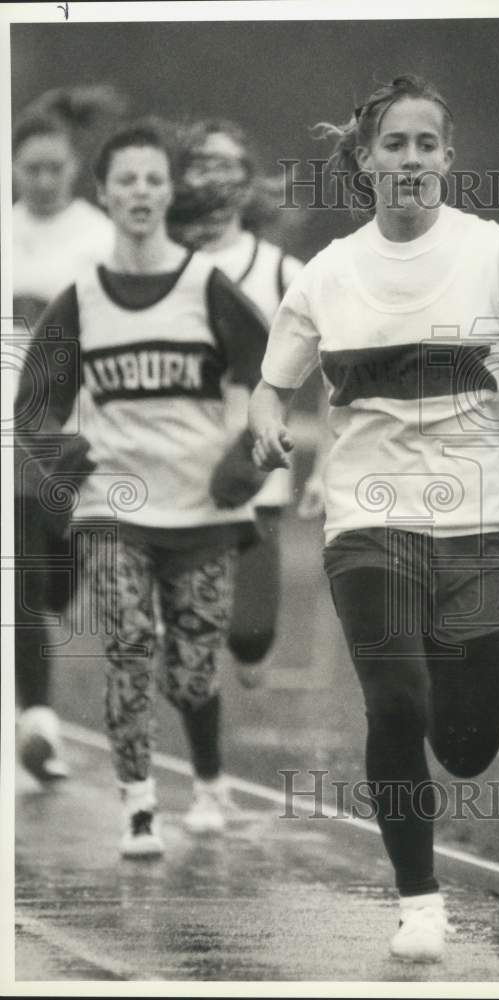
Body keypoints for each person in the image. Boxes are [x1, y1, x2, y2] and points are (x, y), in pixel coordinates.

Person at [249, 75, 499, 962]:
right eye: (393, 146)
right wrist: (263, 423)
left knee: (470, 745)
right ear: (366, 162)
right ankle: (419, 901)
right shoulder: (330, 272)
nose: (410, 160)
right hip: (367, 517)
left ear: (448, 158)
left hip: (482, 519)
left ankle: (465, 711)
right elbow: (272, 383)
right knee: (394, 701)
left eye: (425, 145)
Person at [15, 120, 269, 858]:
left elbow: (271, 372)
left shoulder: (205, 286)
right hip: (114, 508)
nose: (140, 192)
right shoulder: (81, 298)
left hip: (200, 507)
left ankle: (211, 781)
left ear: (168, 193)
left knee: (189, 672)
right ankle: (138, 807)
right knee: (128, 644)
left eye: (154, 180)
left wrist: (245, 457)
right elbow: (34, 402)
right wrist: (67, 459)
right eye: (125, 180)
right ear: (104, 193)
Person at [168, 119, 304, 684]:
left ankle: (245, 644)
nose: (215, 177)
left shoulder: (281, 271)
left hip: (252, 462)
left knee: (250, 640)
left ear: (248, 183)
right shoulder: (156, 263)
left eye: (228, 165)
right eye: (202, 164)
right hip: (171, 458)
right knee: (173, 628)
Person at [12, 87, 120, 783]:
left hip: (76, 431)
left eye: (55, 167)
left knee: (56, 586)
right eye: (31, 168)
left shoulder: (99, 236)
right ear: (15, 168)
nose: (44, 180)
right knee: (20, 578)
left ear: (75, 167)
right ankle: (38, 721)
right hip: (10, 433)